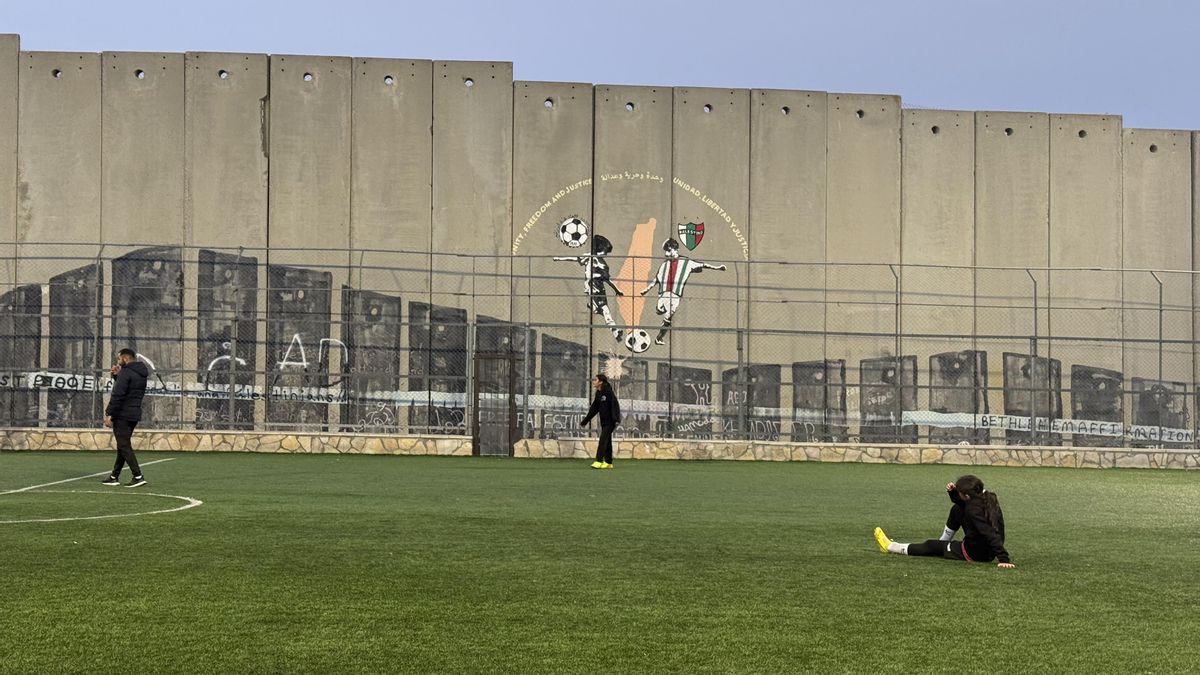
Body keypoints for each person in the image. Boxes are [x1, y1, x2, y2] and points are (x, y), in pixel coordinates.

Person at [873, 475, 1014, 568]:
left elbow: (990, 533)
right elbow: (963, 504)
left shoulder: (973, 510)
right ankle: (943, 542)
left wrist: (1004, 559)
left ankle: (891, 547)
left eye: (959, 493)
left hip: (975, 553)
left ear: (966, 495)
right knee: (957, 509)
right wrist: (953, 493)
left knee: (931, 546)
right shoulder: (987, 498)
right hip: (984, 548)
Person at [638, 237, 726, 345]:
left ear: (675, 249)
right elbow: (656, 279)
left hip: (675, 295)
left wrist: (718, 268)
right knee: (660, 309)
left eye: (668, 250)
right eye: (666, 251)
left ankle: (659, 338)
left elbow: (703, 265)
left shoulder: (686, 262)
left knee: (668, 318)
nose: (666, 253)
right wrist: (647, 289)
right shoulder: (664, 265)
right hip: (663, 293)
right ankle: (659, 309)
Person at [553, 234, 625, 343]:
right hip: (592, 286)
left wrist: (617, 290)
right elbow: (574, 258)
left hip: (601, 288)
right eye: (604, 251)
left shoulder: (604, 265)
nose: (605, 254)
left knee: (603, 310)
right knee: (605, 310)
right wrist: (559, 258)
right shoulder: (589, 257)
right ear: (598, 248)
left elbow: (608, 280)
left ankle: (595, 309)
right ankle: (614, 329)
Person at [100, 348, 150, 488]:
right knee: (123, 445)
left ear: (126, 358)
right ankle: (114, 476)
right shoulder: (140, 373)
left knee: (123, 445)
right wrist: (117, 376)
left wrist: (109, 414)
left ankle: (138, 476)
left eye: (119, 359)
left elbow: (119, 395)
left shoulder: (126, 373)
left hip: (123, 413)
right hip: (134, 413)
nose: (118, 361)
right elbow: (130, 389)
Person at [581, 373, 621, 469]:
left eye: (595, 380)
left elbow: (615, 405)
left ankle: (598, 461)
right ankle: (608, 462)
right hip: (603, 421)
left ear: (601, 382)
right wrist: (585, 421)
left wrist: (616, 419)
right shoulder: (598, 393)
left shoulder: (608, 392)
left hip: (611, 421)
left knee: (603, 440)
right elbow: (594, 408)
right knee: (607, 441)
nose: (593, 381)